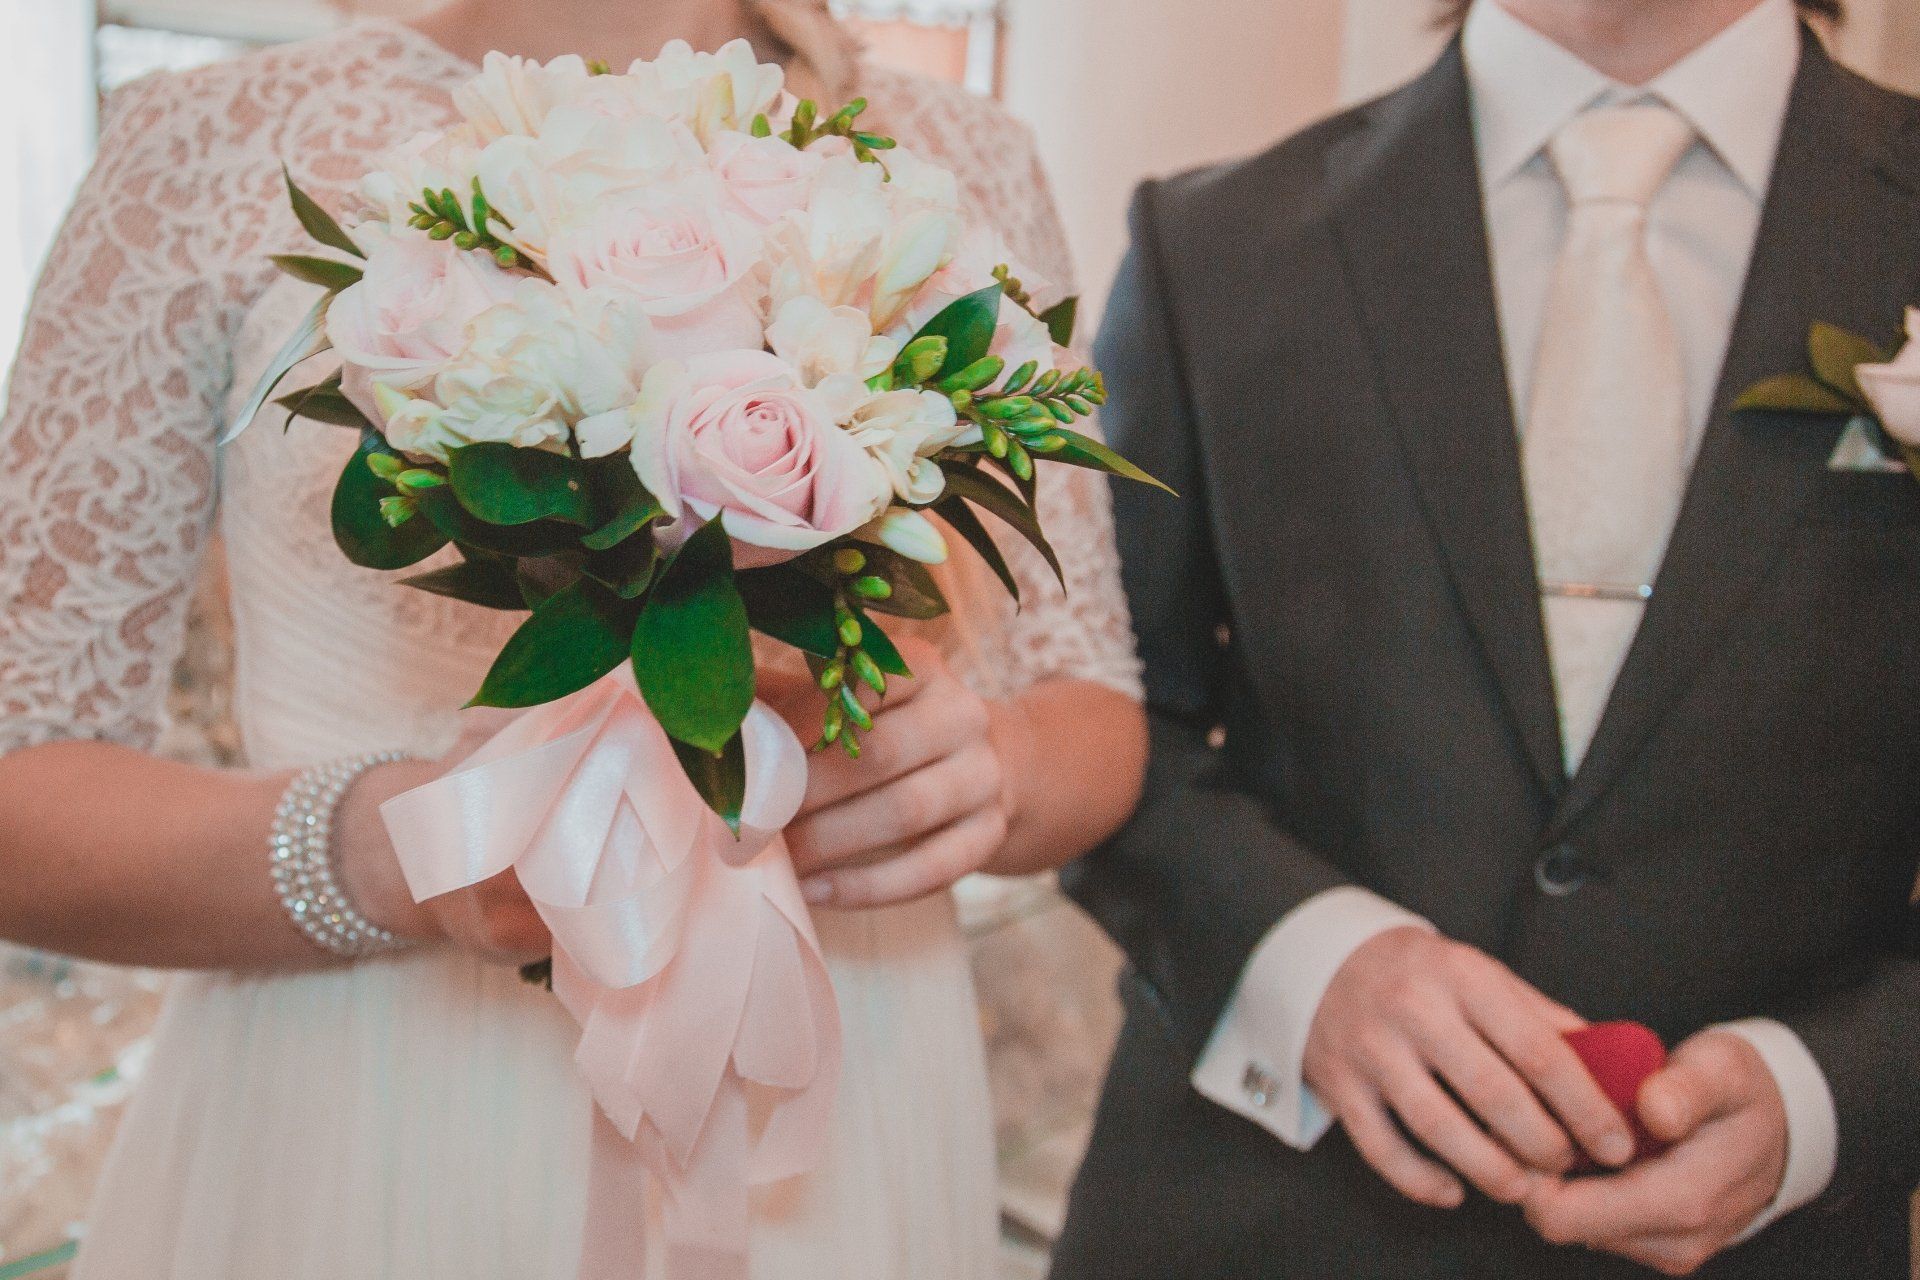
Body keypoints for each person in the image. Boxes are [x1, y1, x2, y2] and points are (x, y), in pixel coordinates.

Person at [0, 1, 1148, 1275]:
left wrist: (987, 772)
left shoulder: (961, 157)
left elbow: (1093, 702)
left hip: (828, 1084)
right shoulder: (206, 143)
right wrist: (401, 854)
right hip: (371, 1107)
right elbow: (22, 791)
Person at [1057, 0, 1919, 1275]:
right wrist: (1314, 966)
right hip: (1246, 1220)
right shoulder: (1211, 243)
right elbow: (1103, 724)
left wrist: (1830, 1091)